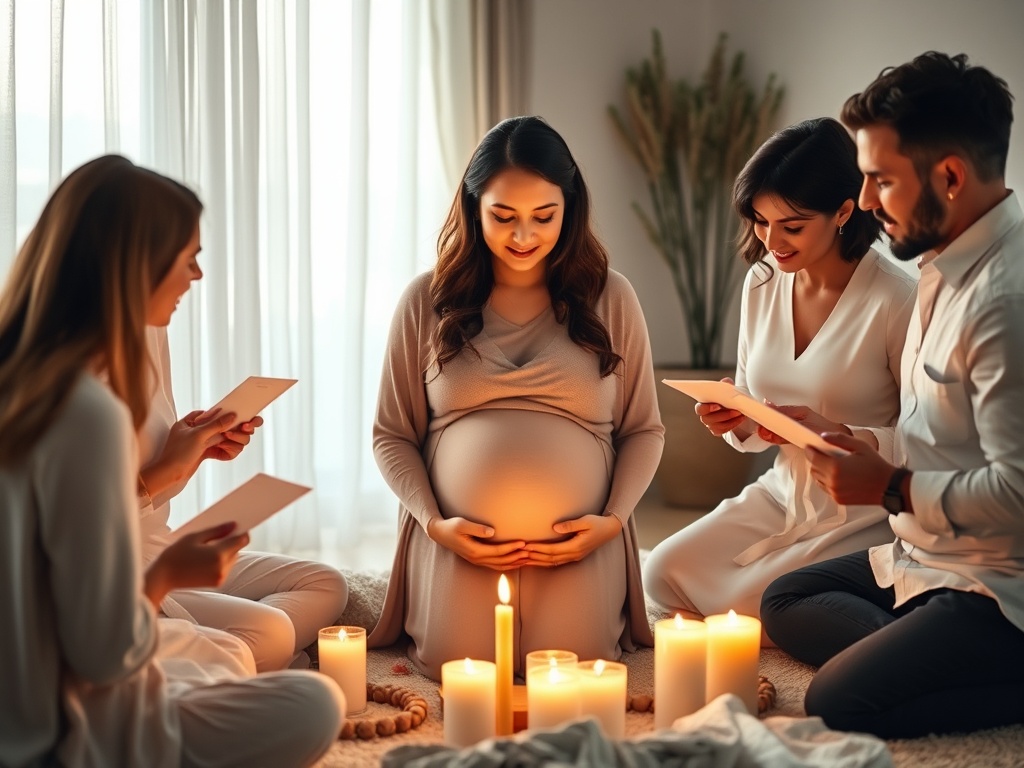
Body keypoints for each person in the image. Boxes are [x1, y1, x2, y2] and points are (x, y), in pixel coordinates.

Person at [0, 155, 345, 767]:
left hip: (37, 686)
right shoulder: (87, 414)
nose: (197, 274)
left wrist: (186, 451)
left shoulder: (28, 383)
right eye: (187, 257)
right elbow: (105, 652)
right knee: (313, 702)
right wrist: (169, 574)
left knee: (294, 614)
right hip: (73, 723)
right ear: (134, 266)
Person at [761, 52, 1024, 738]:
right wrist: (850, 440)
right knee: (786, 596)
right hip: (922, 553)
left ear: (949, 176)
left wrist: (892, 489)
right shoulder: (939, 265)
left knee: (835, 702)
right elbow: (945, 436)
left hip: (996, 584)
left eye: (879, 179)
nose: (868, 202)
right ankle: (919, 646)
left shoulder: (1004, 302)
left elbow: (1019, 494)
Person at [367, 116, 664, 680]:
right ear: (474, 208)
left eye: (544, 217)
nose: (523, 235)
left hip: (579, 549)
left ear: (569, 209)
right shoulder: (425, 301)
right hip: (459, 551)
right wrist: (434, 524)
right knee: (460, 670)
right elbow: (392, 435)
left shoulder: (612, 297)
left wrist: (611, 521)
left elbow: (643, 430)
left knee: (578, 671)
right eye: (503, 216)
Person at [643, 117, 917, 627]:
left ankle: (776, 626)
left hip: (864, 509)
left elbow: (927, 440)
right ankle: (775, 627)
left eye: (791, 226)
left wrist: (844, 434)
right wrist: (736, 419)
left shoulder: (896, 299)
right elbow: (751, 401)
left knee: (760, 597)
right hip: (782, 491)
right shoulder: (762, 282)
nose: (772, 240)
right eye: (760, 221)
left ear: (843, 210)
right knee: (661, 570)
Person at [137, 325, 349, 672]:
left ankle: (225, 651)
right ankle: (250, 653)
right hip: (118, 570)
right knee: (272, 632)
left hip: (159, 545)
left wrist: (193, 455)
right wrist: (166, 469)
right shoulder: (72, 367)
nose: (196, 274)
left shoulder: (152, 331)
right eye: (185, 265)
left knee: (326, 583)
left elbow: (155, 488)